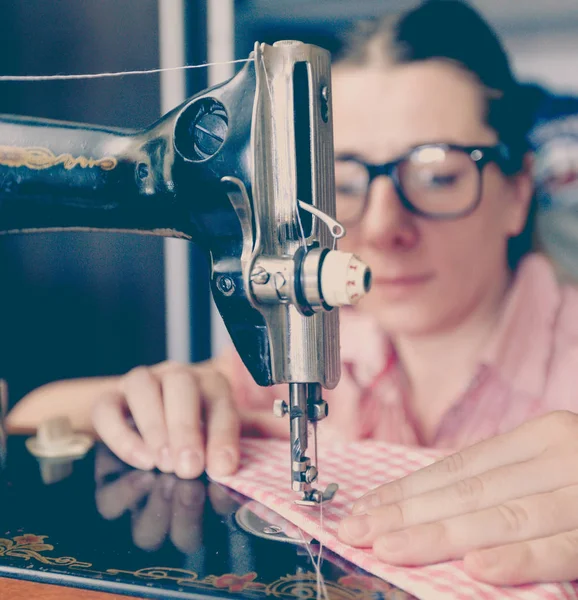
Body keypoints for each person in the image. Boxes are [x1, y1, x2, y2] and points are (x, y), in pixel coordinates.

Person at [6, 0, 578, 585]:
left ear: (518, 191)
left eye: (437, 175)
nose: (382, 228)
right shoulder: (327, 342)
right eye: (345, 181)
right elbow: (34, 415)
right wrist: (159, 408)